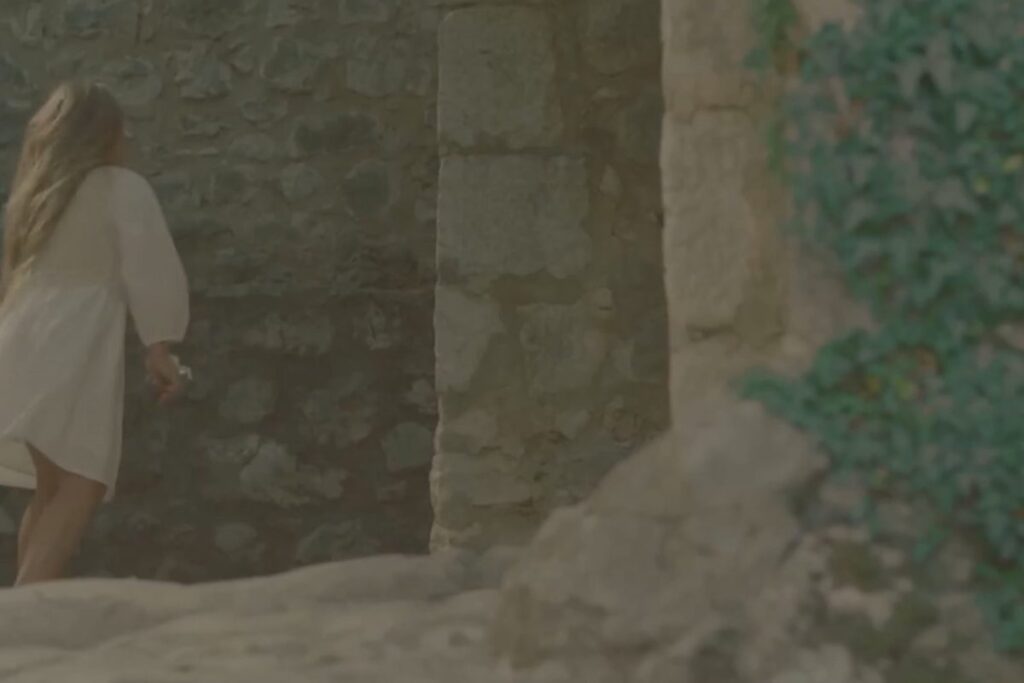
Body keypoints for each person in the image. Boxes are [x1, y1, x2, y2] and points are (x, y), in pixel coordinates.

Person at [0, 81, 189, 585]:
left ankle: (21, 604)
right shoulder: (121, 188)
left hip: (20, 341)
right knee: (82, 481)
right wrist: (160, 344)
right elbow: (149, 266)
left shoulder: (37, 197)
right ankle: (24, 610)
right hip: (73, 345)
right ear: (105, 134)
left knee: (50, 487)